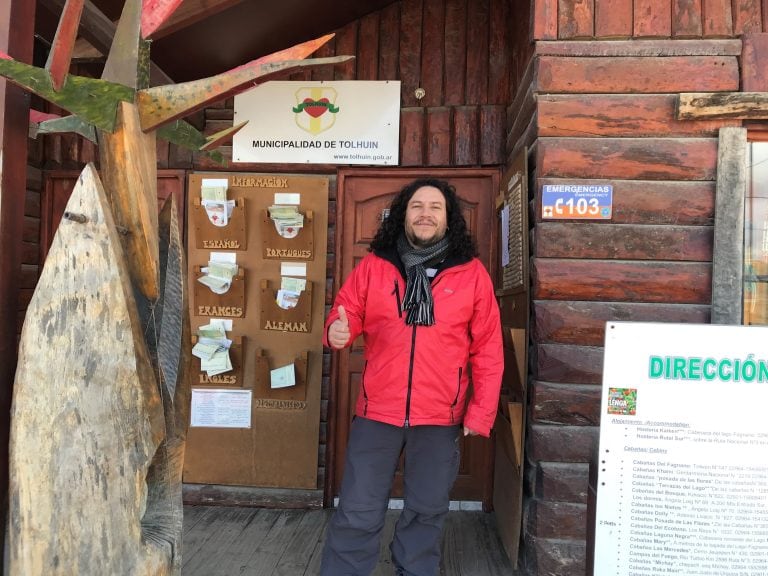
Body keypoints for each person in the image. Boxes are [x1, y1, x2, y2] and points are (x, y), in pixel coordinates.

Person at [320, 178, 503, 576]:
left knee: (426, 511)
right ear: (403, 215)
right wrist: (337, 329)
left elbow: (487, 347)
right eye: (417, 205)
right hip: (377, 413)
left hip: (439, 417)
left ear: (448, 218)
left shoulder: (471, 275)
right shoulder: (375, 266)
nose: (425, 213)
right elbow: (346, 311)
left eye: (435, 207)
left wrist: (481, 411)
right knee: (357, 510)